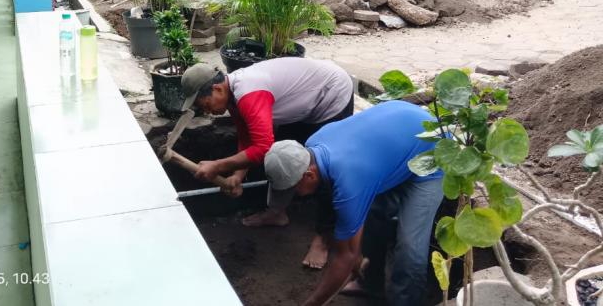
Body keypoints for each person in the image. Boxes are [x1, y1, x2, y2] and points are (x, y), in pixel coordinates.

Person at [263, 100, 445, 306]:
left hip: (431, 150)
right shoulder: (313, 145)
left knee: (410, 247)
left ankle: (406, 302)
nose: (294, 195)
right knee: (374, 215)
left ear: (308, 175)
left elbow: (346, 256)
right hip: (398, 138)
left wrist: (312, 303)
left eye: (293, 189)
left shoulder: (349, 181)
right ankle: (370, 285)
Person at [180, 57, 354, 267]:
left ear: (217, 89)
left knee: (325, 169)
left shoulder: (249, 94)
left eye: (204, 104)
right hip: (304, 102)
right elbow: (247, 139)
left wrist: (218, 165)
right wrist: (237, 176)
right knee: (282, 156)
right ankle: (277, 212)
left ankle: (323, 240)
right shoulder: (233, 96)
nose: (206, 111)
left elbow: (262, 147)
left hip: (331, 94)